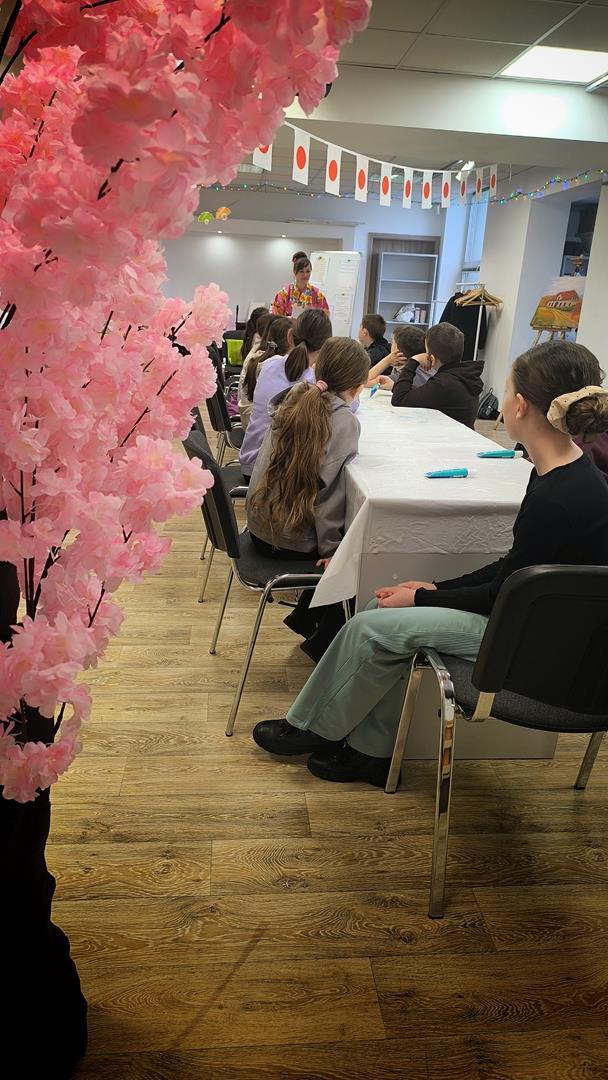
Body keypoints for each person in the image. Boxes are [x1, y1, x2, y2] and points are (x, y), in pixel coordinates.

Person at [252, 340, 608, 787]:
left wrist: (422, 596)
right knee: (381, 614)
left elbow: (506, 591)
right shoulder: (565, 478)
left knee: (373, 626)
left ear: (519, 405)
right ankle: (368, 752)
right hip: (538, 628)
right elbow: (515, 572)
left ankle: (309, 727)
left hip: (536, 646)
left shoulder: (558, 496)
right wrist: (433, 590)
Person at [247, 338, 370, 659]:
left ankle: (305, 620)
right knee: (360, 554)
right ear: (358, 388)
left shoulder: (296, 398)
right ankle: (323, 644)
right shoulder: (343, 421)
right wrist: (332, 548)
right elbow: (329, 497)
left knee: (347, 547)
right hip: (286, 538)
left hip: (260, 525)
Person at [239, 309, 332, 479]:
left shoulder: (268, 364)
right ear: (325, 348)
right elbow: (349, 406)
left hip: (249, 463)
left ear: (290, 337)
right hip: (273, 475)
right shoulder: (315, 385)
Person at [391, 322, 483, 427]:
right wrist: (395, 386)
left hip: (448, 435)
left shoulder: (443, 384)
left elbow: (399, 400)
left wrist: (414, 360)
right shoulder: (462, 376)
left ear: (432, 359)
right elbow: (422, 395)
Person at [238, 316, 292, 429]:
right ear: (290, 339)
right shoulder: (273, 366)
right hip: (257, 428)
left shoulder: (260, 356)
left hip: (250, 422)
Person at [367, 324, 426, 389]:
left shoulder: (403, 376)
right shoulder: (423, 369)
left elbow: (362, 382)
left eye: (392, 342)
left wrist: (386, 361)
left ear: (398, 351)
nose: (390, 345)